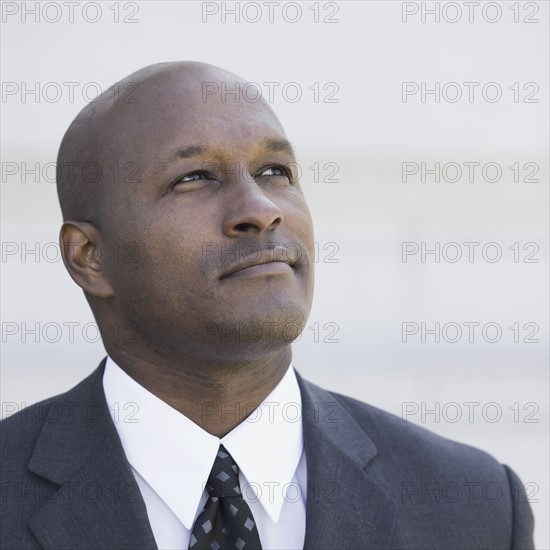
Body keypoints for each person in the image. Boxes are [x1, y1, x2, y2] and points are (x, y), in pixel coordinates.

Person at [0, 61, 534, 550]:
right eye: (194, 178)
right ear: (90, 257)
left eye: (275, 171)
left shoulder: (476, 507)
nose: (260, 210)